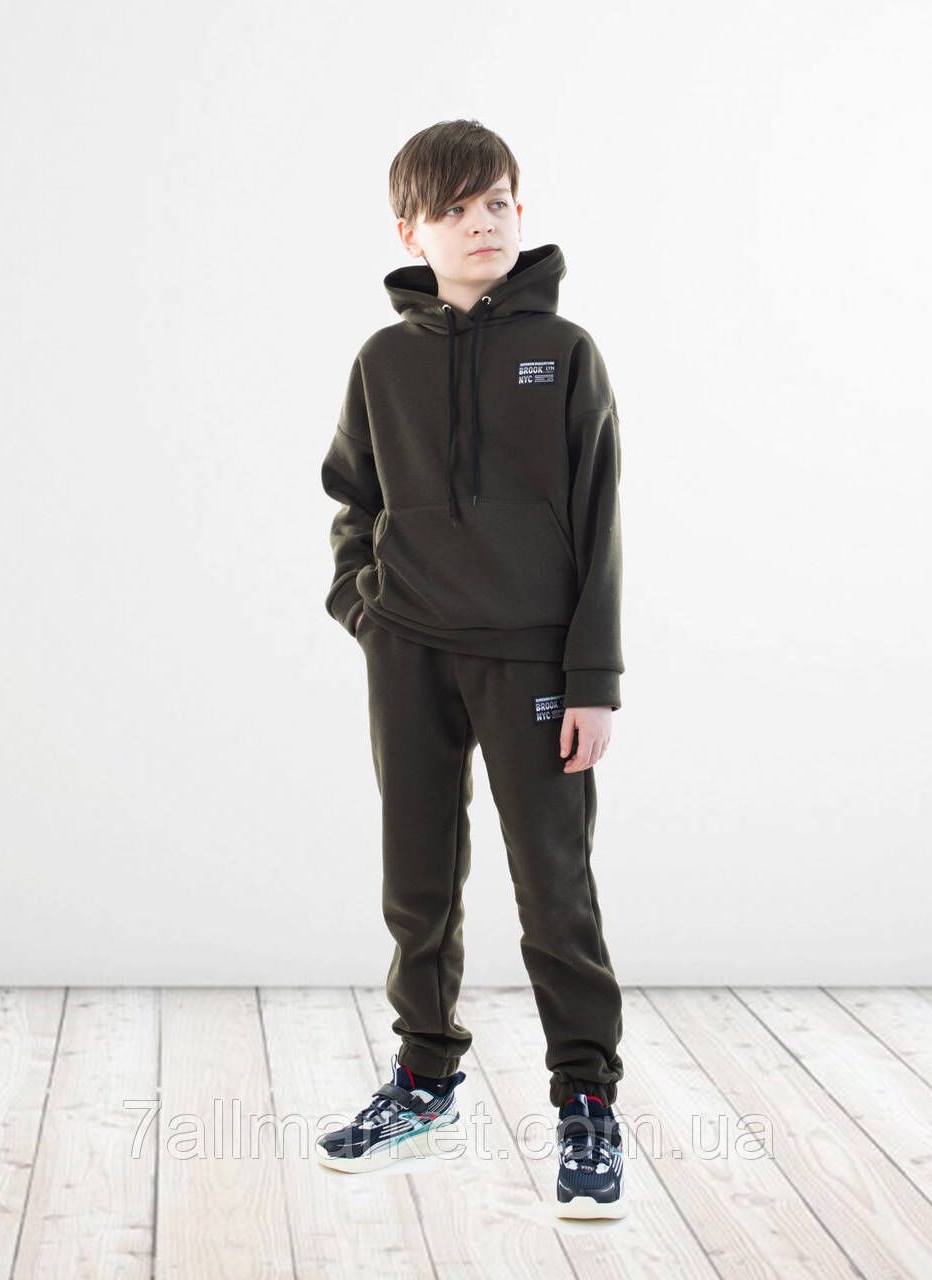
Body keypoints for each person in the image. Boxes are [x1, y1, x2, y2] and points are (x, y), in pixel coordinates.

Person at [314, 119, 627, 1219]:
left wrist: (591, 679)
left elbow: (599, 520)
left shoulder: (565, 351)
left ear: (518, 212)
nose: (481, 223)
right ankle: (423, 1081)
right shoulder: (382, 361)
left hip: (532, 658)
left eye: (496, 201)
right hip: (409, 650)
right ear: (411, 231)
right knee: (417, 879)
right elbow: (351, 497)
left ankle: (585, 1099)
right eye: (453, 209)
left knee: (553, 884)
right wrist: (362, 608)